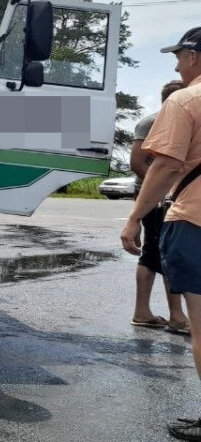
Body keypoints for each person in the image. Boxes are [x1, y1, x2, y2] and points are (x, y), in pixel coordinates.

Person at [119, 27, 201, 441]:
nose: (175, 64)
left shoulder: (185, 101)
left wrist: (136, 215)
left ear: (195, 55)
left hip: (195, 219)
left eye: (180, 55)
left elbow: (165, 166)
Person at [130, 80, 188, 334]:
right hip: (155, 198)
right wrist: (162, 191)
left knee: (160, 252)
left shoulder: (178, 122)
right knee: (159, 252)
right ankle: (174, 316)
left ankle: (148, 313)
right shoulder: (151, 122)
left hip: (170, 197)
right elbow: (136, 162)